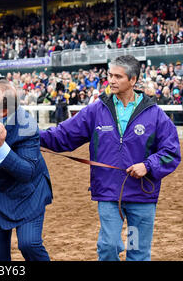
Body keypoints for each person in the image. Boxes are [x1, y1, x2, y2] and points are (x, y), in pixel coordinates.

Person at [40, 55, 180, 261]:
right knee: (109, 246)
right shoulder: (96, 110)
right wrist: (26, 135)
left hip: (142, 195)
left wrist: (148, 166)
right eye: (109, 75)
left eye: (117, 76)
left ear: (133, 80)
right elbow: (63, 135)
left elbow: (171, 153)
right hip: (108, 193)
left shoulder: (156, 115)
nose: (111, 80)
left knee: (138, 253)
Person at [0, 80, 53, 261]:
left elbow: (27, 172)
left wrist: (1, 148)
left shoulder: (27, 127)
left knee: (29, 244)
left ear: (3, 112)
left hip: (26, 195)